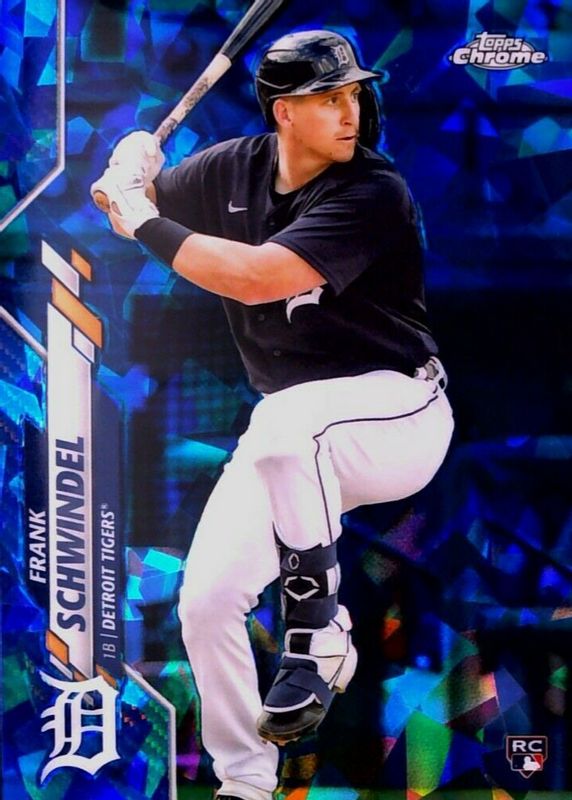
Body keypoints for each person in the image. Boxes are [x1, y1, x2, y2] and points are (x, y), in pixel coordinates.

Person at [92, 29, 454, 800]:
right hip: (293, 440)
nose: (350, 112)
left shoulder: (372, 190)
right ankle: (245, 782)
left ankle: (318, 634)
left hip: (398, 412)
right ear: (284, 111)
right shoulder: (231, 170)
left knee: (292, 425)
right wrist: (130, 168)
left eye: (353, 94)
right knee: (206, 601)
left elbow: (256, 277)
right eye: (329, 98)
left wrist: (140, 216)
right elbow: (126, 203)